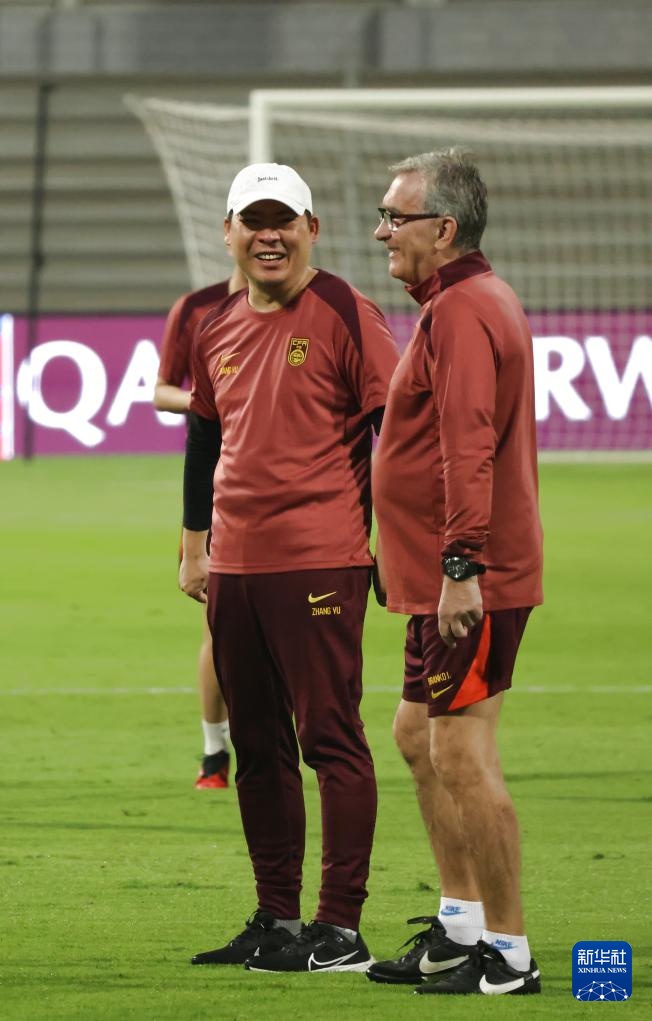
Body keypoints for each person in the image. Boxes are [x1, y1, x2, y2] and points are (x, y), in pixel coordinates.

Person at [179, 162, 399, 972]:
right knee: (258, 745)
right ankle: (277, 917)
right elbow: (205, 435)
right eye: (254, 221)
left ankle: (339, 927)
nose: (268, 235)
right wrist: (193, 543)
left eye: (284, 220)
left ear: (312, 228)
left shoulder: (346, 309)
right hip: (236, 567)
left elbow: (393, 428)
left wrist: (396, 541)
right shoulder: (214, 325)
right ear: (229, 233)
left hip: (320, 558)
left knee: (330, 738)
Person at [369, 148, 543, 996]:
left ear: (443, 229)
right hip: (443, 574)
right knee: (416, 735)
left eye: (394, 217)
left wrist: (462, 565)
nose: (382, 232)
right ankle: (460, 926)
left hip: (472, 579)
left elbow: (467, 443)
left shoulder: (465, 310)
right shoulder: (464, 301)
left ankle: (508, 953)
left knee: (461, 753)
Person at [154, 267, 246, 789]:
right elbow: (162, 390)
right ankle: (215, 750)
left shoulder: (313, 308)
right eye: (252, 226)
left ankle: (282, 743)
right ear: (229, 233)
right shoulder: (196, 309)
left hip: (290, 497)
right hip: (217, 489)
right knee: (220, 627)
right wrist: (214, 401)